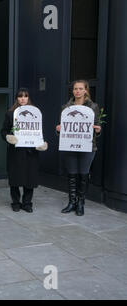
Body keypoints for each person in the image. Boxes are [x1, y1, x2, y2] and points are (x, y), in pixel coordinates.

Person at [56, 80, 101, 216]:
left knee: (83, 175)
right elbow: (62, 128)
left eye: (81, 88)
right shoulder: (66, 107)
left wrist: (98, 130)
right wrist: (58, 129)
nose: (78, 91)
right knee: (72, 175)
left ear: (86, 90)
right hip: (70, 146)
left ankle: (81, 203)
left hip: (87, 146)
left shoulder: (93, 107)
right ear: (72, 91)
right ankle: (72, 202)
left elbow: (97, 126)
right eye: (75, 88)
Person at [0, 88, 48, 213]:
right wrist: (8, 137)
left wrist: (42, 142)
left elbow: (39, 131)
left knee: (30, 178)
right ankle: (15, 202)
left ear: (28, 98)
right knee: (15, 178)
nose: (23, 99)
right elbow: (3, 130)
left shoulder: (35, 113)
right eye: (20, 96)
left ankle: (27, 203)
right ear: (17, 98)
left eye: (25, 96)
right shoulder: (10, 114)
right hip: (16, 152)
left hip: (31, 151)